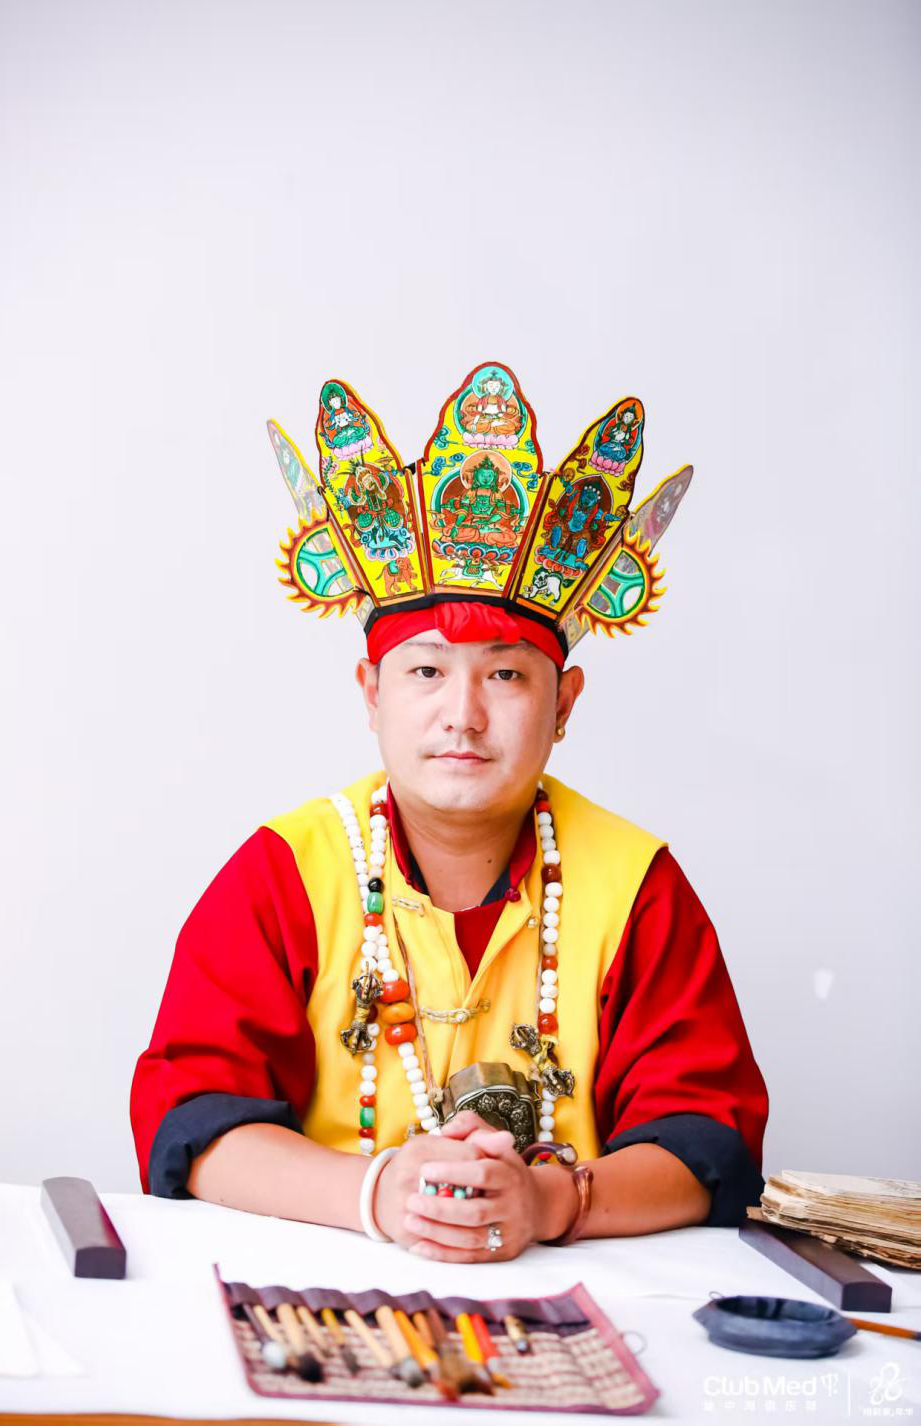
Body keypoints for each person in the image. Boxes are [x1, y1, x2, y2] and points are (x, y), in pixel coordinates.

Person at [130, 362, 768, 1262]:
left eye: (505, 674)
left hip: (572, 1286)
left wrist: (548, 1200)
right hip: (326, 1277)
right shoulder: (284, 872)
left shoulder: (636, 884)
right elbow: (193, 1122)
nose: (462, 715)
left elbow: (707, 1143)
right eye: (425, 671)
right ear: (372, 692)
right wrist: (379, 1193)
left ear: (564, 702)